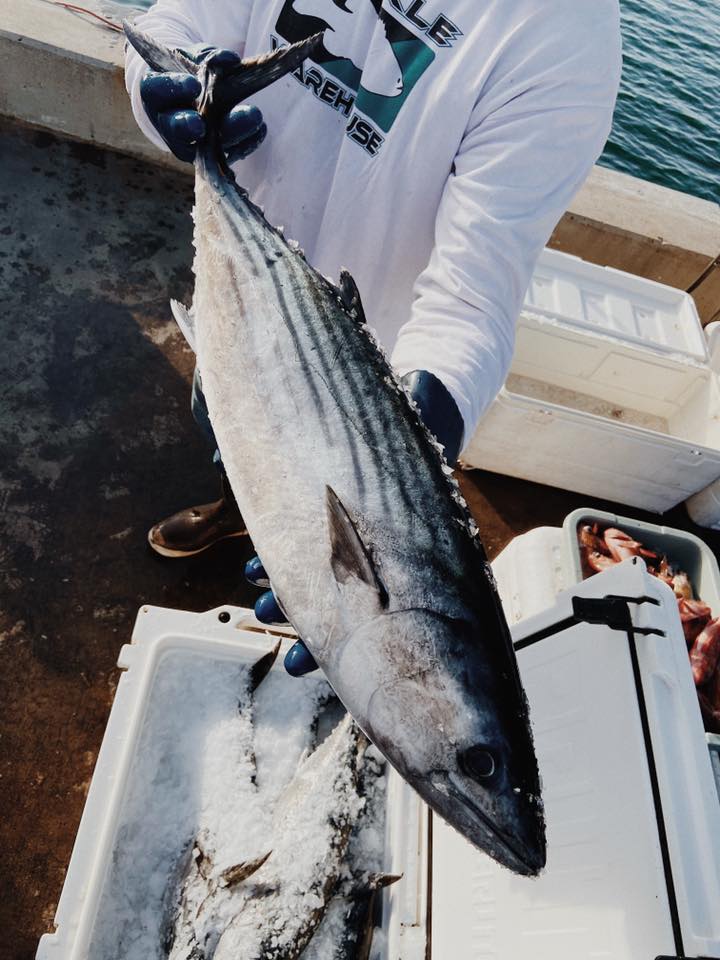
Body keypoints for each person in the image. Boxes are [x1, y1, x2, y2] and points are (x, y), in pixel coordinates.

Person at [126, 0, 621, 673]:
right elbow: (174, 23)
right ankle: (235, 508)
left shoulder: (567, 34)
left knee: (338, 540)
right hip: (239, 294)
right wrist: (162, 92)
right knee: (220, 417)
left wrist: (417, 442)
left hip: (369, 376)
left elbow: (475, 293)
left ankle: (274, 534)